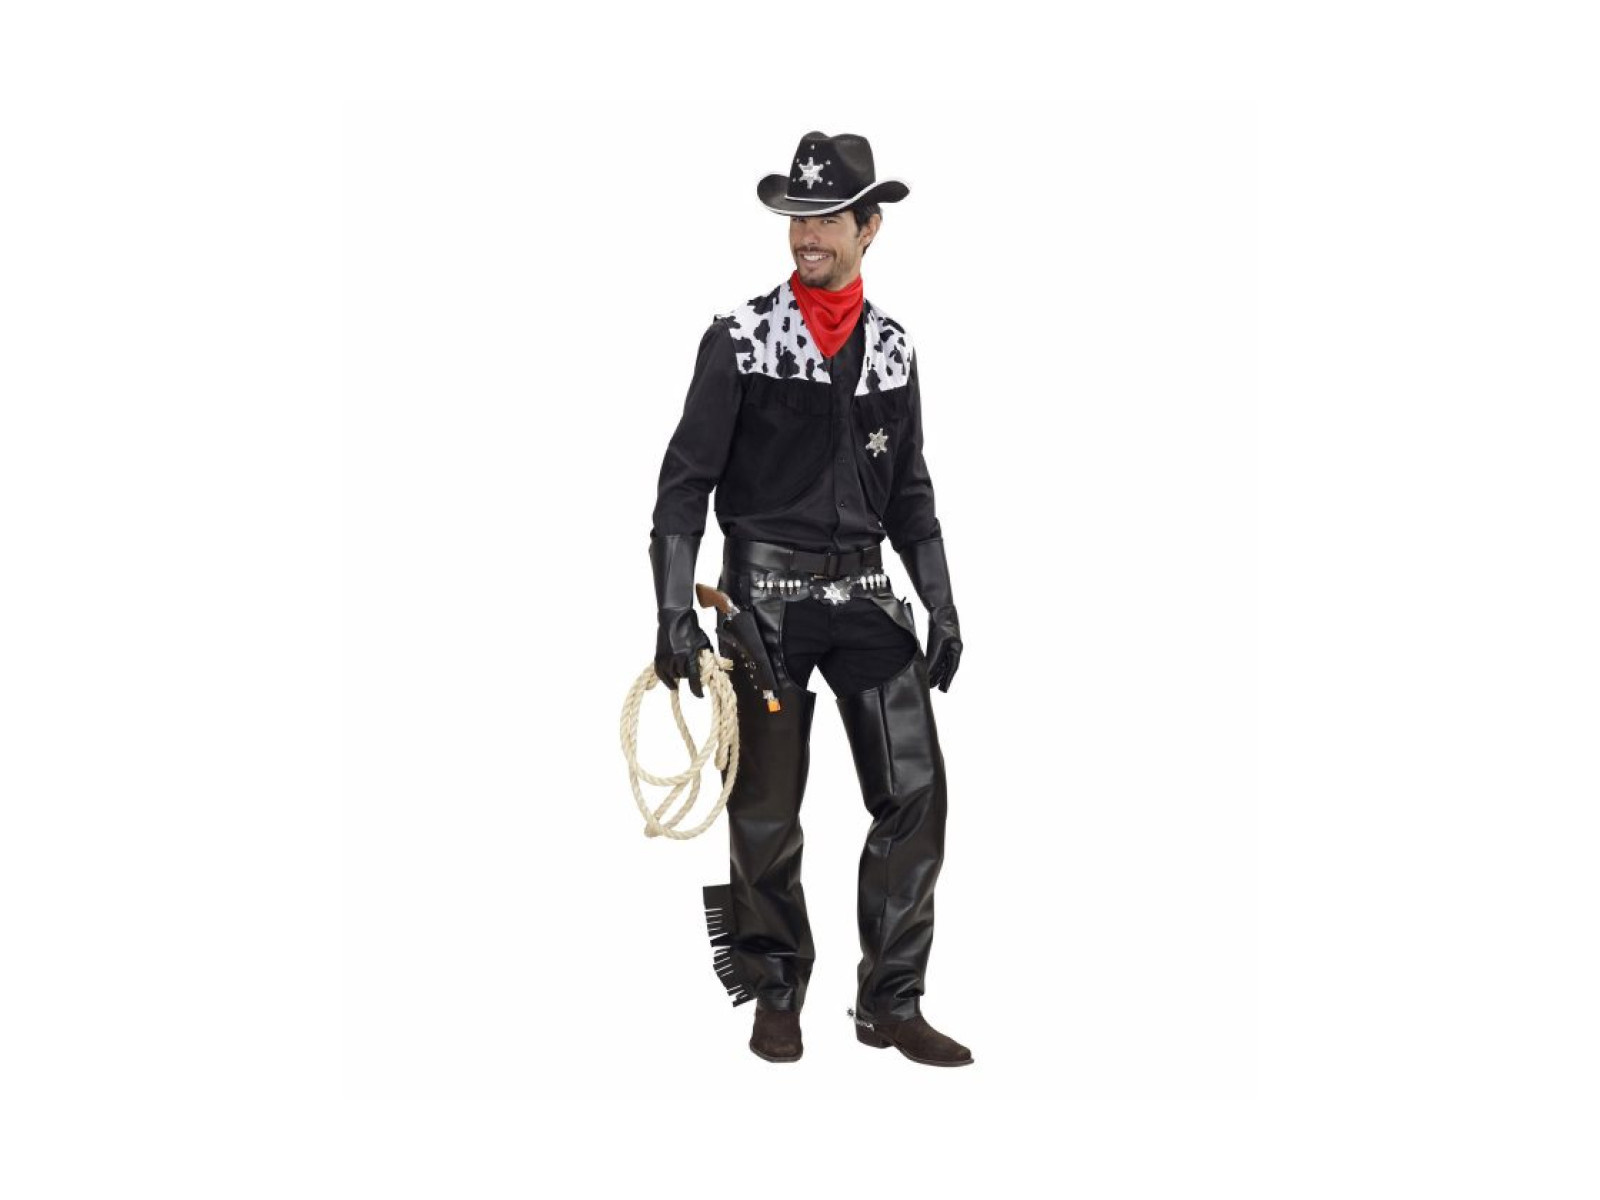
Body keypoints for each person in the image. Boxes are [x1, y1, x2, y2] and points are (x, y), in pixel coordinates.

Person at [648, 131, 972, 1068]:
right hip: (763, 604)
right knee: (764, 808)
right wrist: (673, 610)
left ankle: (891, 1002)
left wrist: (940, 602)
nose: (807, 236)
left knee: (916, 793)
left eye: (827, 218)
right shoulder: (740, 338)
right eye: (797, 218)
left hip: (865, 595)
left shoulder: (895, 350)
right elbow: (684, 486)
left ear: (870, 228)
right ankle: (777, 987)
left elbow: (910, 492)